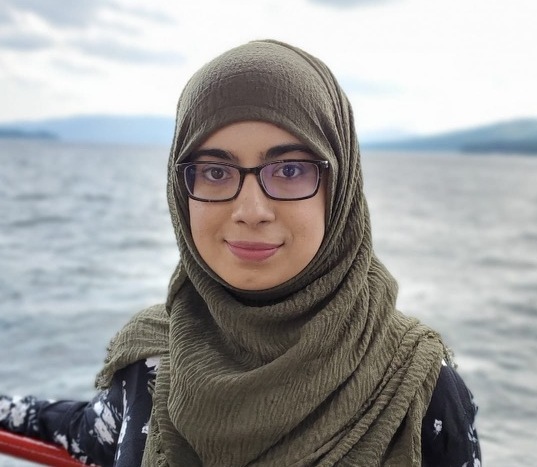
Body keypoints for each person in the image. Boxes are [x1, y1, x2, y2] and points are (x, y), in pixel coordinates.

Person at [0, 39, 481, 466]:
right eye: (215, 172)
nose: (251, 210)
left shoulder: (415, 387)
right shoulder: (152, 362)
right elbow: (86, 431)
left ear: (338, 187)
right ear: (180, 190)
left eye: (289, 170)